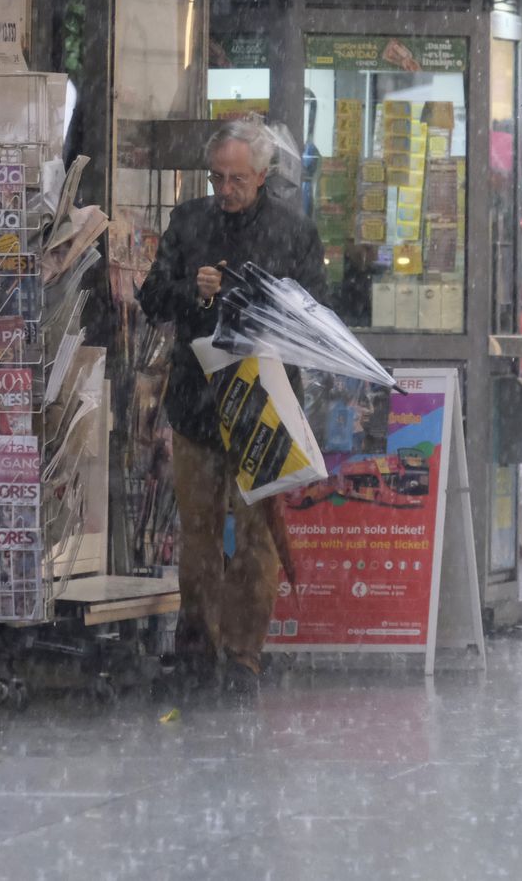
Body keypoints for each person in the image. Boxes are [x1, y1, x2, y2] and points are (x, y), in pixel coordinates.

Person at [137, 116, 327, 698]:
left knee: (255, 536)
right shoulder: (189, 221)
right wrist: (190, 289)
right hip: (197, 399)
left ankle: (244, 653)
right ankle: (197, 645)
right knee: (197, 534)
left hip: (264, 405)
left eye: (237, 178)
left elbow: (318, 313)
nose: (226, 189)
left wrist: (260, 296)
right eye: (218, 177)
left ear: (263, 174)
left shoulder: (292, 231)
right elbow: (151, 299)